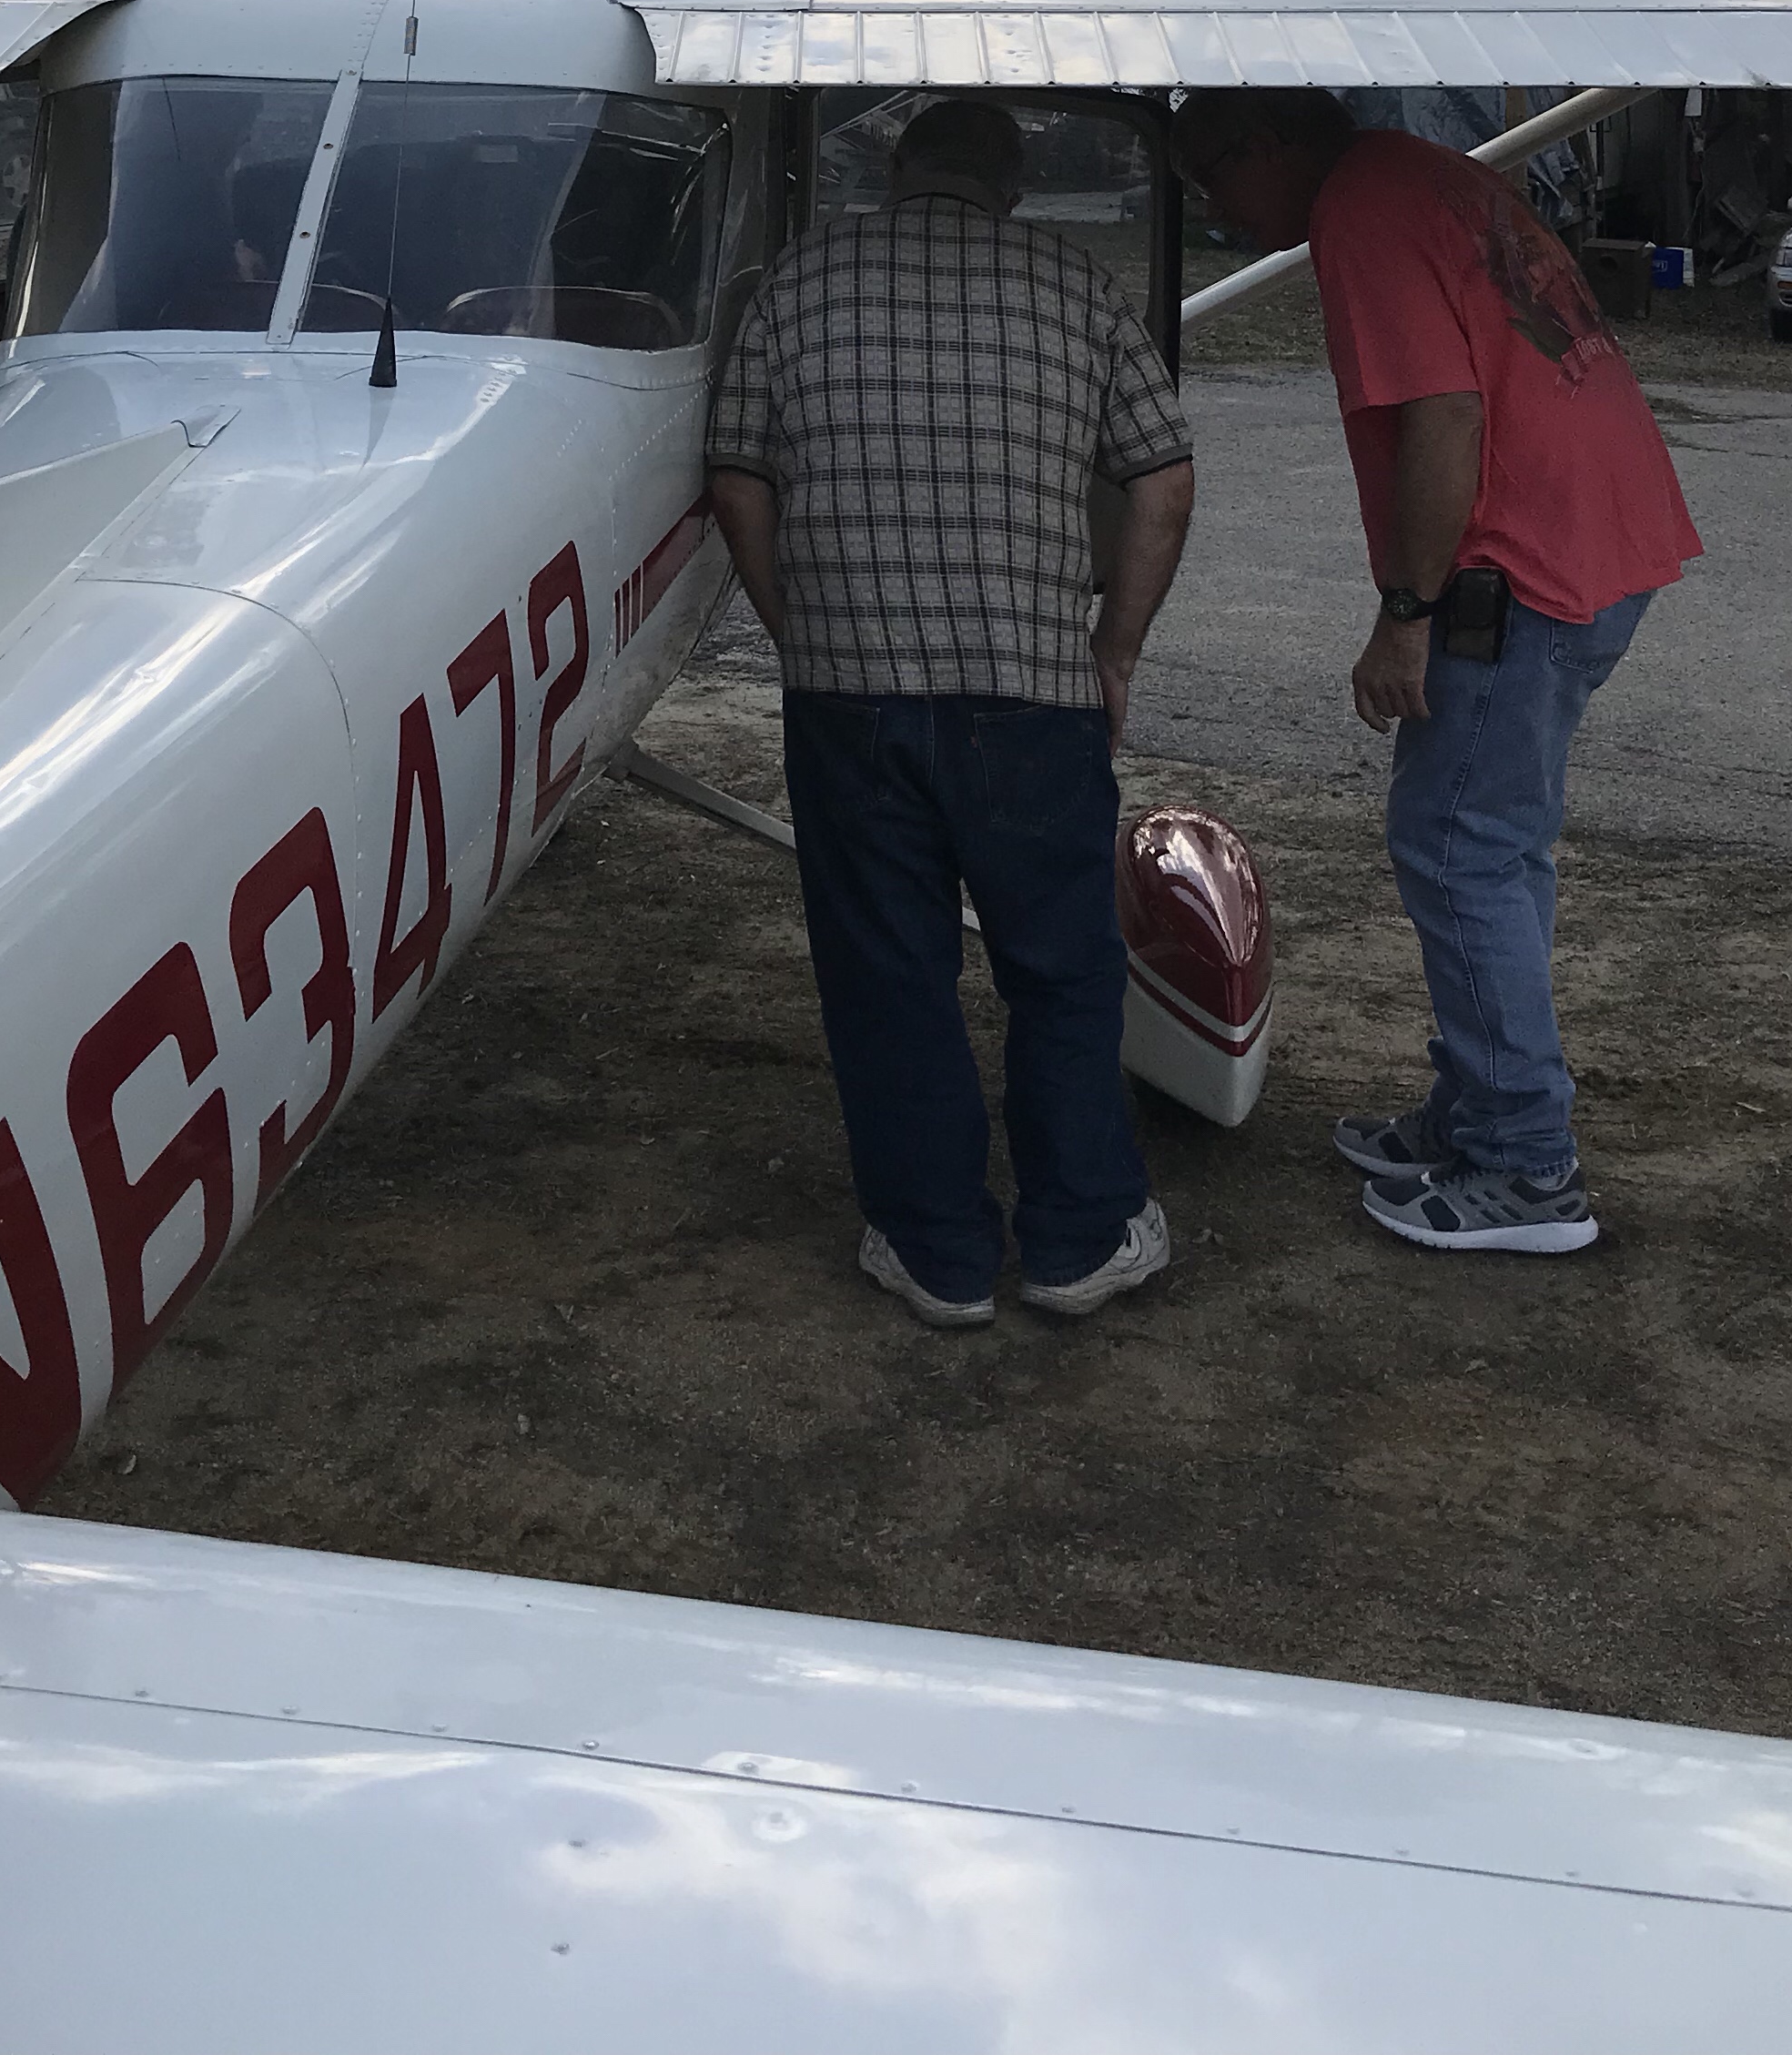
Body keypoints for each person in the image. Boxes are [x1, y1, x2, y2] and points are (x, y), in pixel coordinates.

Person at [1173, 89, 1699, 1257]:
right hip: (1599, 540)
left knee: (1458, 850)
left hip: (1518, 566)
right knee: (1497, 849)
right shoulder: (1420, 175)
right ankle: (1477, 1111)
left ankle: (1524, 1164)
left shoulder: (1362, 212)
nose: (1212, 210)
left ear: (1267, 144)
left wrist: (1405, 614)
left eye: (1211, 178)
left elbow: (1446, 418)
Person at [706, 97, 1196, 1330]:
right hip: (1033, 692)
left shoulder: (802, 280)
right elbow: (1162, 477)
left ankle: (936, 1251)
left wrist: (796, 626)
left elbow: (737, 474)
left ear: (897, 171)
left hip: (849, 693)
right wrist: (1115, 650)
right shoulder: (1075, 286)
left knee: (888, 972)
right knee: (1062, 969)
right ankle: (1082, 1236)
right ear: (1010, 187)